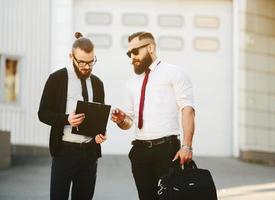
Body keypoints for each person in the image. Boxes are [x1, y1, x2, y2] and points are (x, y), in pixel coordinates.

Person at [111, 31, 195, 200]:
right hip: (139, 152)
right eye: (129, 53)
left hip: (167, 150)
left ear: (150, 48)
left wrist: (187, 146)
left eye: (135, 52)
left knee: (170, 197)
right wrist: (121, 120)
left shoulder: (174, 73)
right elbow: (129, 123)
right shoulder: (131, 84)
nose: (131, 57)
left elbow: (188, 109)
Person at [38, 32, 107, 200]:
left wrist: (100, 134)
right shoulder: (57, 79)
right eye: (82, 62)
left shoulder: (98, 84)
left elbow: (100, 119)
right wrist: (66, 119)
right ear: (71, 56)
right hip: (64, 151)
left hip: (90, 153)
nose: (86, 66)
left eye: (91, 62)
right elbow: (43, 113)